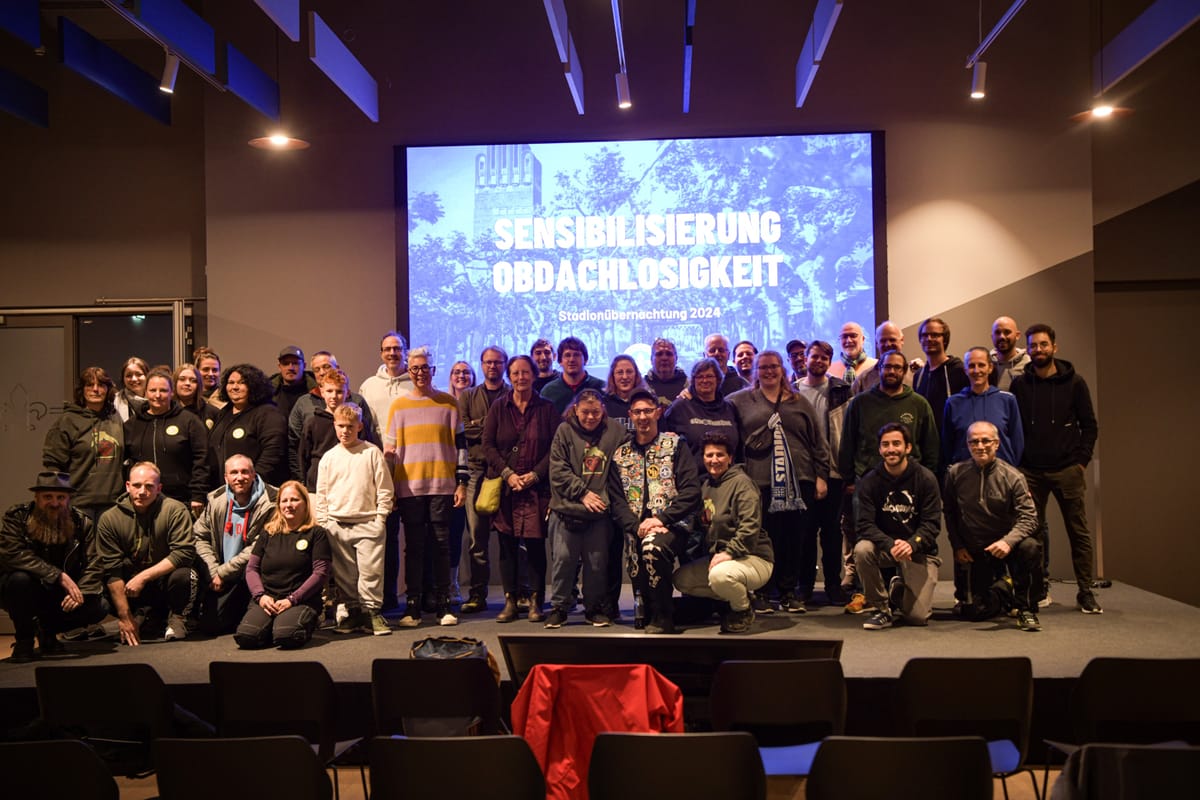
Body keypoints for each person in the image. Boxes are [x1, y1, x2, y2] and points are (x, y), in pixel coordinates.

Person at [1009, 323, 1102, 614]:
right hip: (1031, 472)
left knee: (1079, 533)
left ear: (1054, 347)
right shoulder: (1020, 384)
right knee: (1031, 536)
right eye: (1033, 346)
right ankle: (1038, 591)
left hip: (1067, 470)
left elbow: (1090, 426)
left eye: (1043, 345)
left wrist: (1081, 461)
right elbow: (1014, 427)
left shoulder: (1075, 383)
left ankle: (1086, 592)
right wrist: (1019, 465)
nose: (1038, 350)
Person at [838, 350, 939, 613]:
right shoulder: (861, 403)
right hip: (867, 482)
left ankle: (902, 587)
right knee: (865, 541)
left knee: (916, 615)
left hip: (910, 483)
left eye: (897, 368)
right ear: (879, 369)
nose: (892, 371)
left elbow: (930, 446)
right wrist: (849, 479)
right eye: (887, 367)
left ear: (904, 371)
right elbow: (847, 443)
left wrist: (925, 479)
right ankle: (871, 596)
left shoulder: (918, 403)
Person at [728, 350, 828, 614]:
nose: (769, 371)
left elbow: (818, 440)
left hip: (800, 480)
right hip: (759, 481)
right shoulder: (740, 401)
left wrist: (821, 475)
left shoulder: (800, 401)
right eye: (763, 367)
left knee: (795, 538)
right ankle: (761, 591)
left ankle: (788, 592)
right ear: (755, 371)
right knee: (763, 538)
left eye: (773, 367)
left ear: (782, 369)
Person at [607, 389, 701, 634]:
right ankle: (654, 610)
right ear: (630, 415)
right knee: (640, 566)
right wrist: (637, 525)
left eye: (648, 411)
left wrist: (660, 519)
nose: (643, 417)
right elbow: (616, 501)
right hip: (636, 528)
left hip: (673, 525)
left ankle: (664, 618)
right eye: (637, 412)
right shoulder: (620, 454)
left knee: (652, 548)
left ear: (658, 412)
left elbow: (691, 491)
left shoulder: (675, 445)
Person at [385, 347, 467, 628]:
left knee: (442, 545)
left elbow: (461, 447)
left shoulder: (448, 404)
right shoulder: (398, 407)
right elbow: (390, 449)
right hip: (409, 487)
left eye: (425, 368)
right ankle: (413, 607)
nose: (420, 373)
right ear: (409, 371)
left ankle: (444, 604)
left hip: (442, 485)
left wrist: (462, 483)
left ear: (433, 371)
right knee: (415, 548)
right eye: (415, 368)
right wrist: (392, 487)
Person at [943, 421, 1043, 631]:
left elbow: (1030, 518)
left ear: (996, 444)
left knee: (1030, 547)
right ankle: (1005, 586)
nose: (980, 446)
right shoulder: (955, 474)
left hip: (1006, 546)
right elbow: (950, 514)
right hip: (975, 549)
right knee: (974, 611)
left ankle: (1025, 608)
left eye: (986, 440)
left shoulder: (1013, 476)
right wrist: (958, 546)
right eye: (974, 441)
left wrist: (1008, 542)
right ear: (968, 445)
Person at [0, 472, 108, 662]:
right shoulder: (17, 517)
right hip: (26, 590)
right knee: (19, 580)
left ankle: (48, 633)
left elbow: (94, 563)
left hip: (60, 594)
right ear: (37, 497)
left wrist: (80, 591)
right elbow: (11, 553)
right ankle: (24, 639)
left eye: (61, 497)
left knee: (99, 606)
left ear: (69, 499)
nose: (55, 503)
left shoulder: (82, 523)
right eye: (47, 497)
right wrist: (57, 575)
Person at [673, 433, 774, 634]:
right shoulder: (707, 486)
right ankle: (733, 598)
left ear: (730, 457)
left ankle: (742, 610)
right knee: (681, 579)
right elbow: (695, 520)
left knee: (720, 577)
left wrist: (729, 553)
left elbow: (750, 527)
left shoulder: (742, 483)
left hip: (754, 557)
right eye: (709, 455)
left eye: (720, 455)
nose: (714, 460)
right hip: (722, 558)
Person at [483, 355, 558, 622]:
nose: (520, 378)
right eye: (515, 373)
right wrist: (508, 474)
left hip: (537, 489)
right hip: (506, 490)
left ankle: (536, 601)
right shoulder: (498, 407)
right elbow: (488, 445)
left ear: (534, 375)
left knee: (536, 547)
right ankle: (511, 602)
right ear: (509, 376)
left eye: (525, 373)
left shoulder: (547, 408)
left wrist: (535, 475)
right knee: (507, 547)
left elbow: (555, 449)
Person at [544, 388, 627, 628]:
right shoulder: (564, 430)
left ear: (603, 411)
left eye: (595, 412)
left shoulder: (616, 430)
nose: (590, 417)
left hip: (599, 512)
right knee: (563, 561)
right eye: (585, 412)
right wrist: (582, 493)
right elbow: (557, 470)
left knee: (597, 563)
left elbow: (626, 461)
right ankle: (559, 608)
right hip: (566, 508)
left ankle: (594, 608)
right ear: (575, 410)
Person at [853, 423, 942, 630]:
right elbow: (864, 524)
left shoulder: (926, 478)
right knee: (862, 549)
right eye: (885, 445)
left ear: (908, 448)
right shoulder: (869, 481)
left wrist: (912, 544)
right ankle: (881, 610)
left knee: (917, 617)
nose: (891, 449)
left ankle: (898, 590)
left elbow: (932, 524)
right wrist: (890, 544)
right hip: (887, 549)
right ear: (880, 449)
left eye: (896, 443)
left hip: (919, 551)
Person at [94, 462, 195, 645]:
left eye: (149, 486)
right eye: (137, 485)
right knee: (102, 578)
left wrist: (143, 577)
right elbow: (112, 569)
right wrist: (124, 616)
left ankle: (177, 619)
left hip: (161, 580)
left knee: (184, 575)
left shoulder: (175, 509)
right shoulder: (110, 518)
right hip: (130, 585)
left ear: (159, 488)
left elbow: (184, 553)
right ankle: (132, 618)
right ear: (127, 486)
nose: (142, 492)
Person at [176, 454, 275, 636]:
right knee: (211, 626)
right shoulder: (217, 499)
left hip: (256, 574)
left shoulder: (271, 501)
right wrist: (214, 571)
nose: (239, 477)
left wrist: (223, 573)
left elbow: (259, 545)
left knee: (249, 628)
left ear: (254, 474)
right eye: (234, 473)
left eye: (245, 472)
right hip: (222, 575)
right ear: (226, 477)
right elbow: (198, 536)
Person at [318, 402, 395, 634]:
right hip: (337, 524)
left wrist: (380, 518)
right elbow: (322, 494)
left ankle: (371, 612)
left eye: (350, 426)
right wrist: (325, 522)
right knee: (345, 574)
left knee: (371, 572)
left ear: (360, 426)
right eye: (341, 426)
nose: (345, 431)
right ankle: (352, 612)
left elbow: (384, 489)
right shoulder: (329, 458)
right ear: (334, 425)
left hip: (368, 522)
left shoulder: (371, 453)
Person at [235, 481, 332, 649]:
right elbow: (251, 569)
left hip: (300, 600)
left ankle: (290, 625)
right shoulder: (268, 533)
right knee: (246, 637)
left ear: (305, 503)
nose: (289, 505)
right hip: (267, 599)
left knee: (287, 637)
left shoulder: (317, 533)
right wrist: (260, 596)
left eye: (294, 500)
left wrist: (292, 599)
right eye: (284, 501)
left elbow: (320, 573)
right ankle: (271, 627)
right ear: (279, 505)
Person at [794, 340, 853, 604]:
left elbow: (850, 434)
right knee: (804, 533)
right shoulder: (792, 391)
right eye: (814, 356)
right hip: (802, 474)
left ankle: (832, 585)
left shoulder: (842, 390)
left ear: (829, 362)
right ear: (804, 359)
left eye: (823, 358)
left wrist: (849, 473)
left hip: (834, 472)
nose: (818, 361)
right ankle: (804, 585)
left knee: (831, 532)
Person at [360, 331, 412, 612]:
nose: (392, 353)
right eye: (387, 349)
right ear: (381, 353)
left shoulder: (414, 384)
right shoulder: (368, 386)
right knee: (386, 535)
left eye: (397, 348)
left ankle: (419, 594)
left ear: (405, 351)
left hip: (412, 468)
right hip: (379, 469)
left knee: (416, 536)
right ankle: (388, 596)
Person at [458, 346, 510, 614]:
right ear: (482, 365)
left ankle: (516, 594)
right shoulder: (467, 396)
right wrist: (492, 424)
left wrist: (482, 425)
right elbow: (465, 431)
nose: (492, 366)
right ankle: (477, 595)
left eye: (497, 362)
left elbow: (513, 433)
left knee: (510, 535)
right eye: (488, 362)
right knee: (477, 537)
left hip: (505, 470)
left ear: (505, 365)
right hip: (476, 470)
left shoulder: (513, 395)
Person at [42, 366, 124, 524]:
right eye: (89, 385)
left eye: (101, 385)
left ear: (108, 390)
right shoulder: (67, 421)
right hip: (78, 503)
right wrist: (58, 501)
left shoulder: (115, 418)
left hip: (113, 502)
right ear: (82, 390)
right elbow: (54, 465)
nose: (95, 389)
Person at [123, 368, 210, 515]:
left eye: (163, 390)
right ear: (146, 393)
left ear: (172, 392)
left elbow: (202, 460)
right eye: (152, 390)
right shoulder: (132, 425)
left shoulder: (189, 421)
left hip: (182, 500)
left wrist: (198, 494)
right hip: (143, 499)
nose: (158, 395)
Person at [289, 352, 376, 481]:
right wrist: (303, 481)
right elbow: (303, 455)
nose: (334, 396)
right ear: (322, 392)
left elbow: (368, 446)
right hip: (318, 482)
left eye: (339, 392)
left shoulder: (357, 417)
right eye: (329, 391)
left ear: (347, 393)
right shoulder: (312, 421)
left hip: (351, 478)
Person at [207, 363, 289, 489]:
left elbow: (272, 454)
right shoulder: (224, 413)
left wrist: (252, 484)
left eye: (241, 383)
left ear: (253, 385)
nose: (235, 387)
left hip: (254, 490)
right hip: (223, 490)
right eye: (231, 382)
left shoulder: (268, 413)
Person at [941, 346, 1024, 469]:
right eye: (971, 366)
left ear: (990, 368)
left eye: (981, 365)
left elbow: (1017, 442)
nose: (976, 370)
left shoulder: (1007, 400)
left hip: (1001, 475)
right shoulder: (953, 403)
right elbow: (947, 444)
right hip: (965, 475)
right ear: (965, 370)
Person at [662, 357, 742, 464]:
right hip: (692, 477)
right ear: (693, 380)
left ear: (718, 379)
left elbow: (739, 448)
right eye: (699, 377)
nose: (705, 380)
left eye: (709, 376)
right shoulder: (679, 408)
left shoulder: (730, 408)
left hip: (728, 476)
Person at [911, 317, 968, 439]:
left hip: (952, 441)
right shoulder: (919, 375)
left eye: (935, 335)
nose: (929, 339)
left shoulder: (959, 371)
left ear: (945, 340)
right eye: (925, 335)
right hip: (926, 443)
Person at [540, 336, 605, 415]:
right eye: (567, 355)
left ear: (585, 359)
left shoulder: (602, 388)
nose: (572, 360)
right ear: (560, 361)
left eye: (576, 355)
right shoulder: (548, 392)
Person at [850, 321, 910, 395]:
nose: (888, 344)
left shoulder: (915, 375)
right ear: (876, 343)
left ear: (902, 340)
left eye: (892, 340)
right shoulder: (863, 379)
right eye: (883, 341)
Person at [602, 354, 650, 431]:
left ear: (636, 375)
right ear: (612, 376)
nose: (625, 377)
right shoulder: (603, 404)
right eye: (620, 372)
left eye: (629, 372)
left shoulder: (649, 402)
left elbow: (662, 432)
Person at [270, 345, 317, 420]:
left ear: (304, 366)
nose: (290, 368)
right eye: (285, 364)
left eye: (295, 363)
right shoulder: (268, 393)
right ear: (279, 367)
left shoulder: (318, 392)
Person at [990, 316, 1031, 390]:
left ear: (1017, 335)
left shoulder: (1029, 364)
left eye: (1007, 332)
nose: (1002, 337)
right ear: (992, 337)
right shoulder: (984, 365)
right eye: (997, 332)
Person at [645, 337, 687, 405]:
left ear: (676, 358)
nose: (664, 358)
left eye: (669, 354)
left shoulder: (690, 387)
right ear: (651, 359)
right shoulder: (642, 386)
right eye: (659, 354)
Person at [173, 363, 216, 429]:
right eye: (182, 379)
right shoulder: (166, 411)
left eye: (193, 380)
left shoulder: (213, 413)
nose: (187, 383)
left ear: (199, 385)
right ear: (175, 383)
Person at [113, 356, 149, 422]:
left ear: (147, 376)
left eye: (139, 374)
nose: (134, 379)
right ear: (123, 379)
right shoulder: (114, 401)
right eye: (129, 376)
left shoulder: (156, 400)